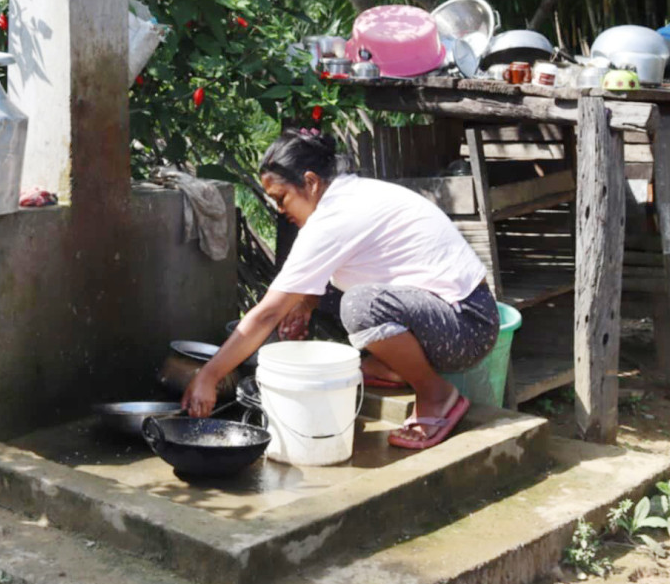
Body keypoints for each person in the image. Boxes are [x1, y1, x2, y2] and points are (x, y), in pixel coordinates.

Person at [181, 128, 499, 449]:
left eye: (281, 198)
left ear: (311, 182)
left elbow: (268, 314)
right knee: (314, 292)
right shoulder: (348, 195)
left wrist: (209, 376)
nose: (279, 209)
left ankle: (437, 395)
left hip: (467, 327)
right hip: (446, 314)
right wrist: (306, 303)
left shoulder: (334, 219)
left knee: (360, 306)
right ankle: (395, 367)